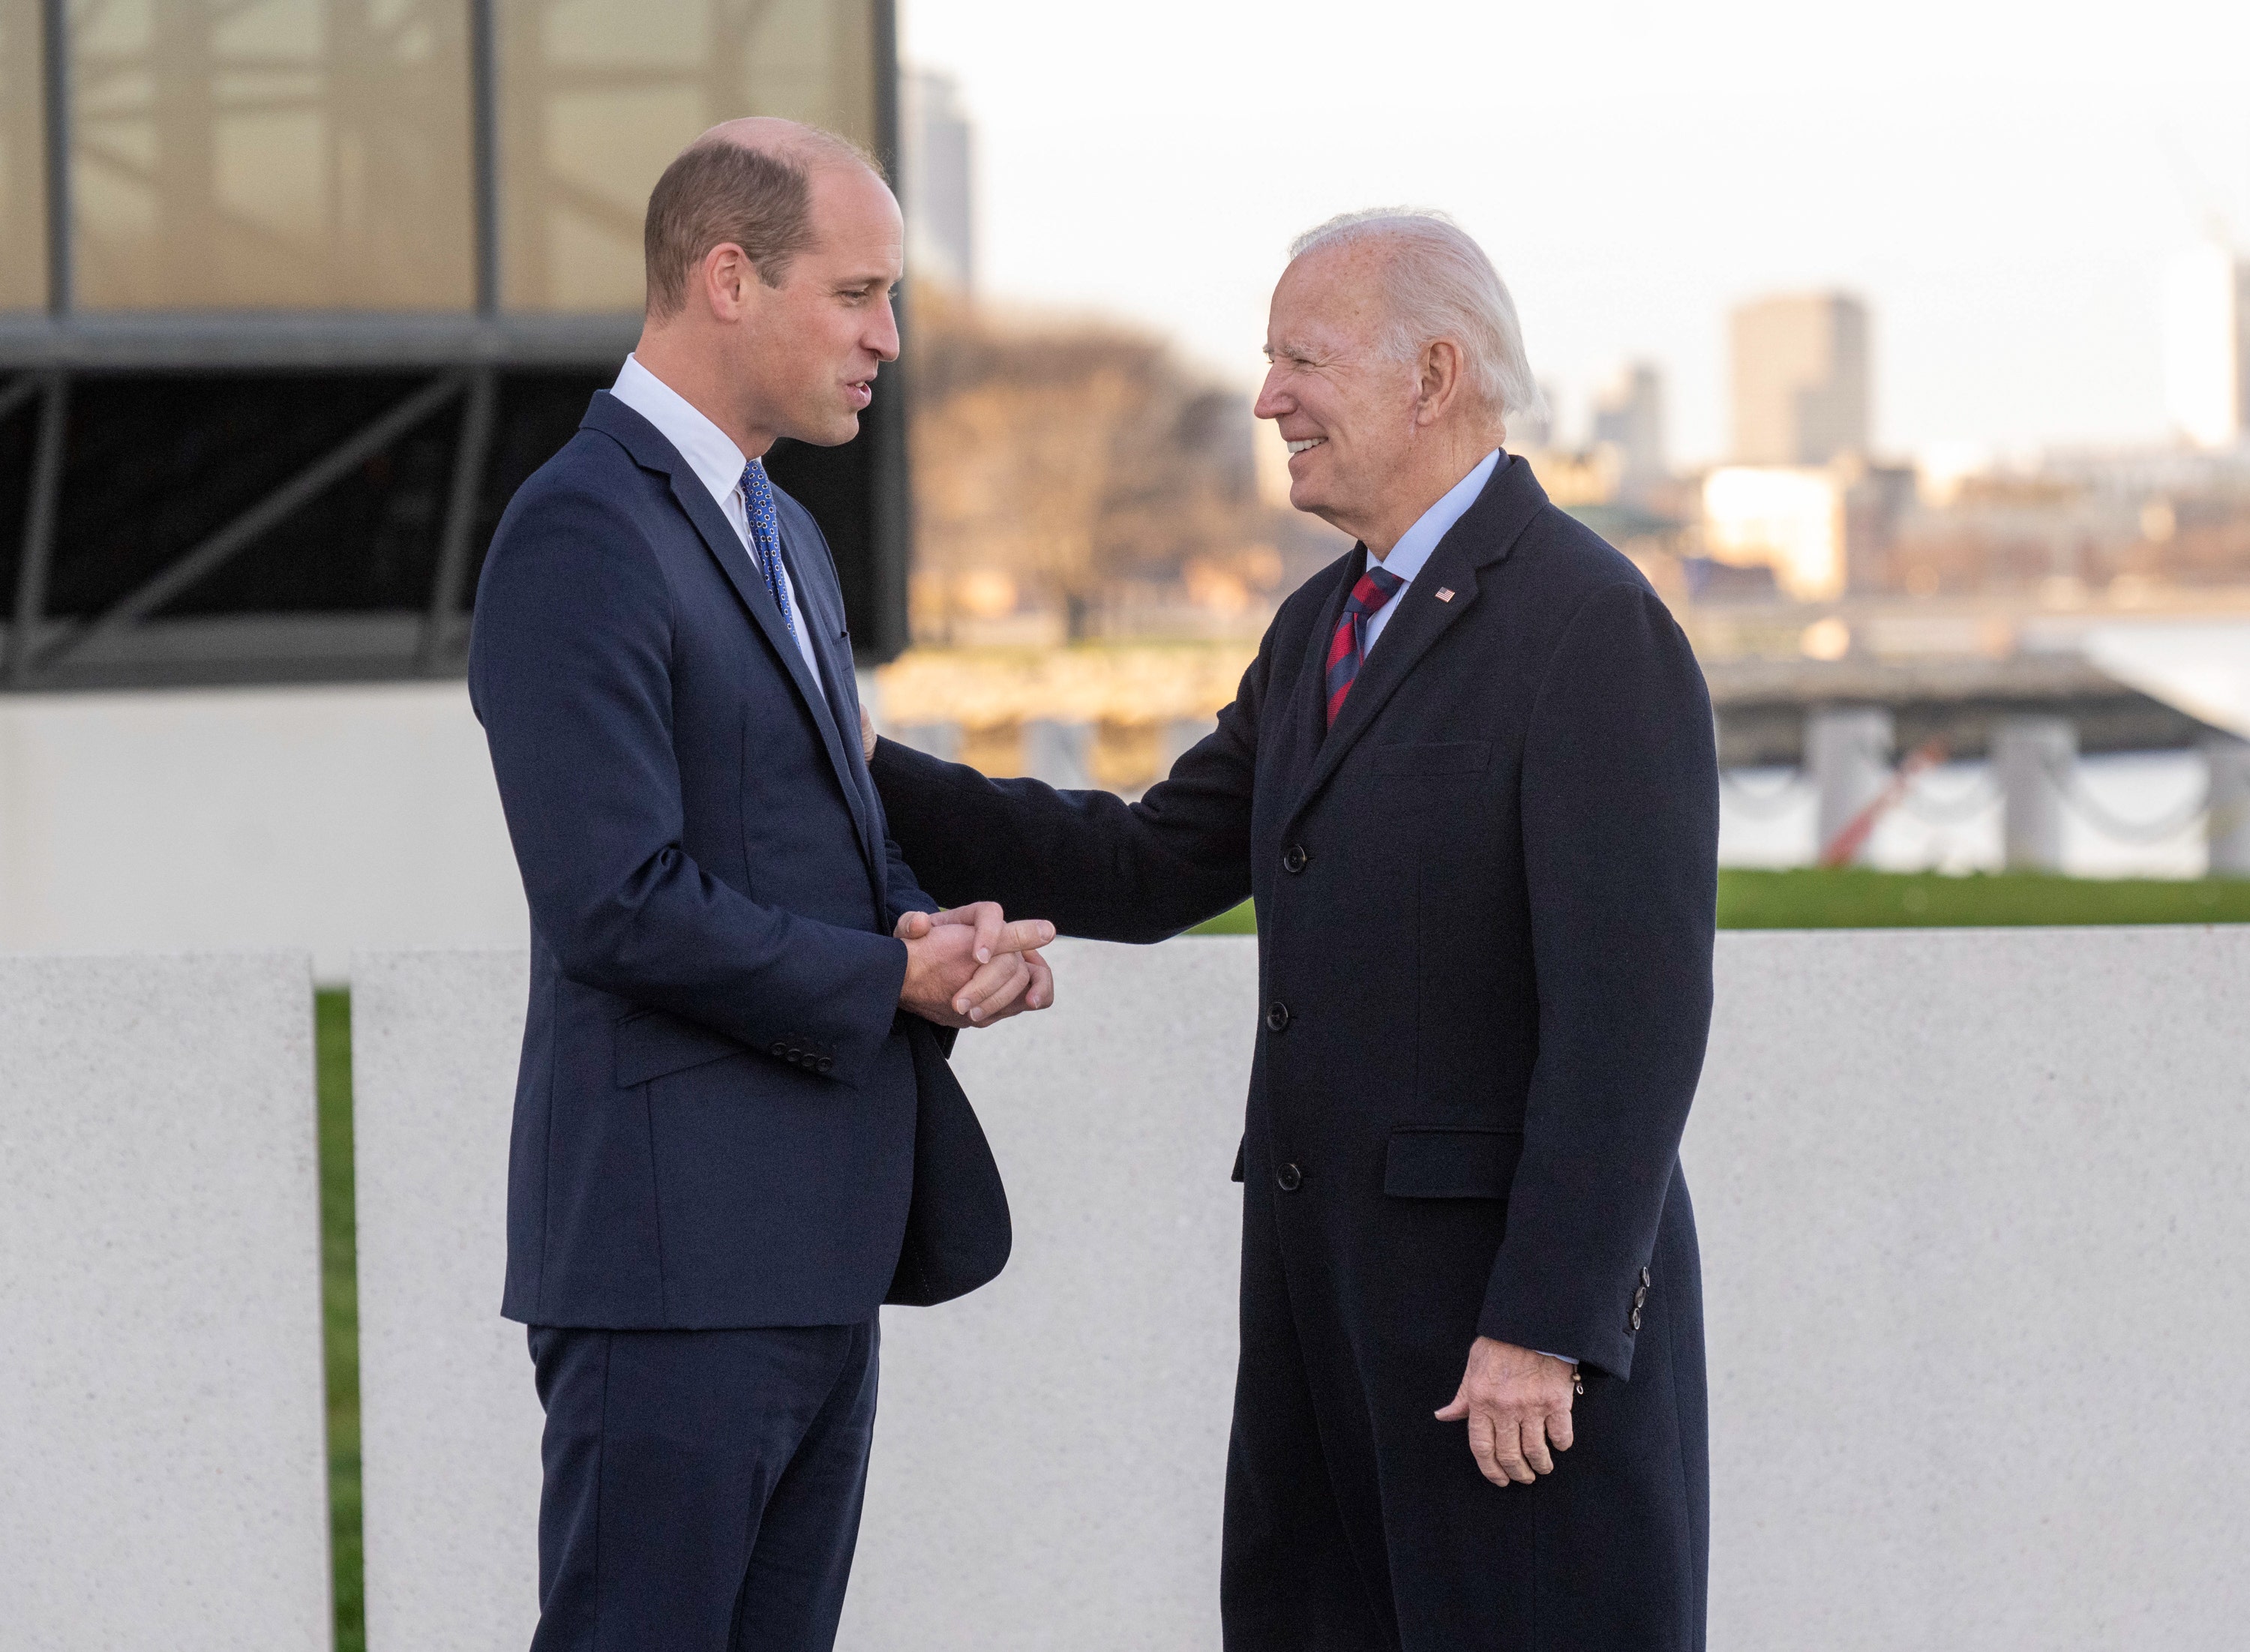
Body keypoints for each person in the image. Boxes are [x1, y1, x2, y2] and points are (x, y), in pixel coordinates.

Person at [867, 209, 1719, 1650]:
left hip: (1499, 1354)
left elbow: (1630, 1023)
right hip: (1318, 1330)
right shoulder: (1322, 623)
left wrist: (1547, 1328)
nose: (1268, 399)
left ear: (1433, 375)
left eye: (1300, 360)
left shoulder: (1590, 625)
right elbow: (1144, 868)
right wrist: (863, 765)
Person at [469, 118, 1054, 1652]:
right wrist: (888, 982)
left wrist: (936, 929)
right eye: (858, 293)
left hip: (811, 1253)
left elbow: (807, 835)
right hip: (671, 1271)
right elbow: (616, 897)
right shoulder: (581, 529)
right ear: (729, 278)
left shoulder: (786, 532)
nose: (890, 336)